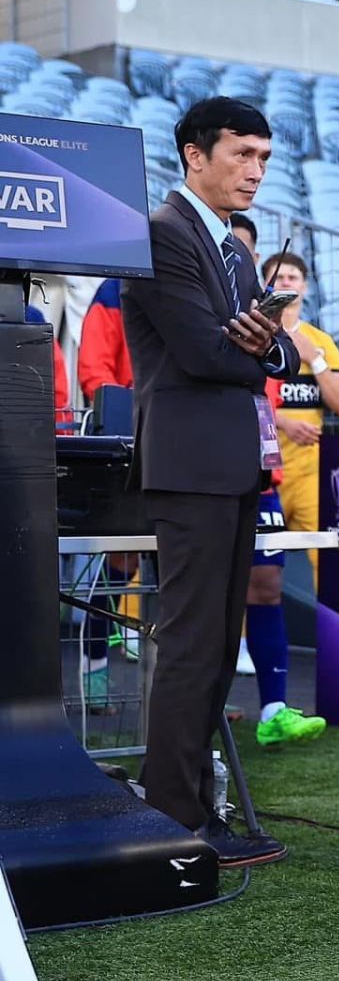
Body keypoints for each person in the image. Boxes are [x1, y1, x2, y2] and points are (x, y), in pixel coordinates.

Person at [121, 97, 302, 866]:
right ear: (195, 155)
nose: (256, 171)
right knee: (195, 644)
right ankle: (172, 814)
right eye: (242, 154)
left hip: (230, 465)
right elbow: (203, 353)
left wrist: (263, 348)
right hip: (191, 464)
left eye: (263, 157)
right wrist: (261, 350)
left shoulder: (228, 246)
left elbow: (284, 358)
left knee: (217, 646)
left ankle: (195, 807)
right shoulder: (164, 234)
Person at [225, 218, 328, 749]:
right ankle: (205, 704)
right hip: (208, 467)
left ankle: (273, 710)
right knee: (211, 593)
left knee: (265, 587)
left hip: (263, 472)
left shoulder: (279, 327)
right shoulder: (202, 306)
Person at [260, 249, 339, 577]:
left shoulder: (320, 341)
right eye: (279, 277)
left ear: (305, 287)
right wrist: (284, 422)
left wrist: (315, 360)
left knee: (330, 564)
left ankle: (330, 630)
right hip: (262, 471)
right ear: (266, 285)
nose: (286, 282)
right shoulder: (256, 336)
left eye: (293, 277)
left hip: (309, 472)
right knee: (250, 568)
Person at [76, 277, 137, 703]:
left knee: (187, 570)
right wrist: (127, 415)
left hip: (189, 439)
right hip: (129, 442)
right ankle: (94, 662)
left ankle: (196, 690)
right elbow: (95, 370)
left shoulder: (208, 282)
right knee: (123, 558)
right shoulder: (115, 291)